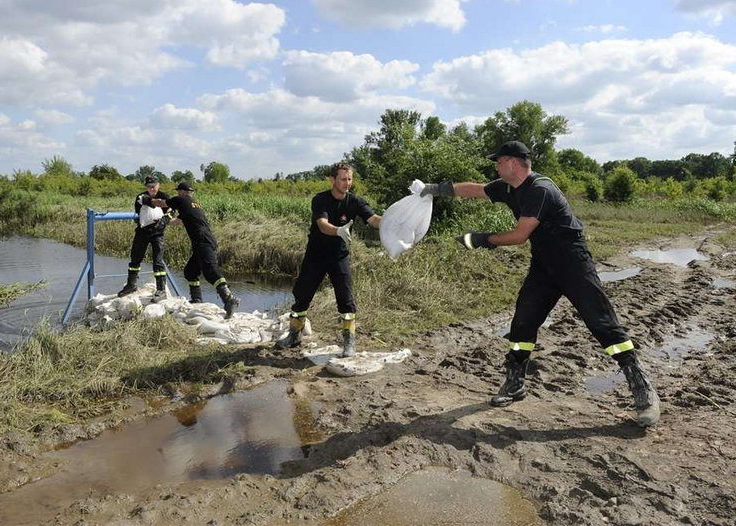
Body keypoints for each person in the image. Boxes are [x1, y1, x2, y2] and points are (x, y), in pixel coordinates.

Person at [422, 140, 660, 427]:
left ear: (513, 162)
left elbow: (520, 235)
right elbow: (476, 189)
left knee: (602, 323)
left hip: (573, 263)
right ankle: (515, 384)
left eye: (499, 161)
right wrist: (436, 189)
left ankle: (642, 389)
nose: (496, 166)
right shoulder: (507, 187)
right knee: (523, 323)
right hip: (544, 265)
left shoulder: (540, 190)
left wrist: (481, 239)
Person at [276, 162, 382, 357]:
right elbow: (323, 225)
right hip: (316, 255)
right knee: (302, 294)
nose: (347, 183)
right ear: (332, 180)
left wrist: (392, 222)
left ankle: (349, 342)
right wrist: (338, 231)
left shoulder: (356, 202)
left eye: (349, 179)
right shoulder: (320, 200)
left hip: (339, 256)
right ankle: (294, 336)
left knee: (346, 299)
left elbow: (373, 219)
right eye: (343, 179)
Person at [152, 182, 240, 319]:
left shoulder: (180, 199)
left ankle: (228, 298)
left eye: (178, 191)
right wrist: (160, 221)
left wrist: (148, 200)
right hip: (204, 241)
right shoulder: (192, 204)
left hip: (202, 241)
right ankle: (197, 299)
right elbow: (178, 221)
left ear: (181, 192)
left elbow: (162, 203)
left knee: (210, 271)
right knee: (190, 272)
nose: (177, 194)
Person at [117, 175, 173, 300]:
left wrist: (165, 220)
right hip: (143, 231)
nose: (152, 189)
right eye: (149, 187)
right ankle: (131, 285)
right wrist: (159, 204)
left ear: (158, 185)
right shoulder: (141, 196)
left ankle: (161, 290)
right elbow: (146, 202)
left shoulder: (165, 196)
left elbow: (171, 212)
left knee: (158, 261)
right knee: (135, 259)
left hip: (157, 233)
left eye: (154, 186)